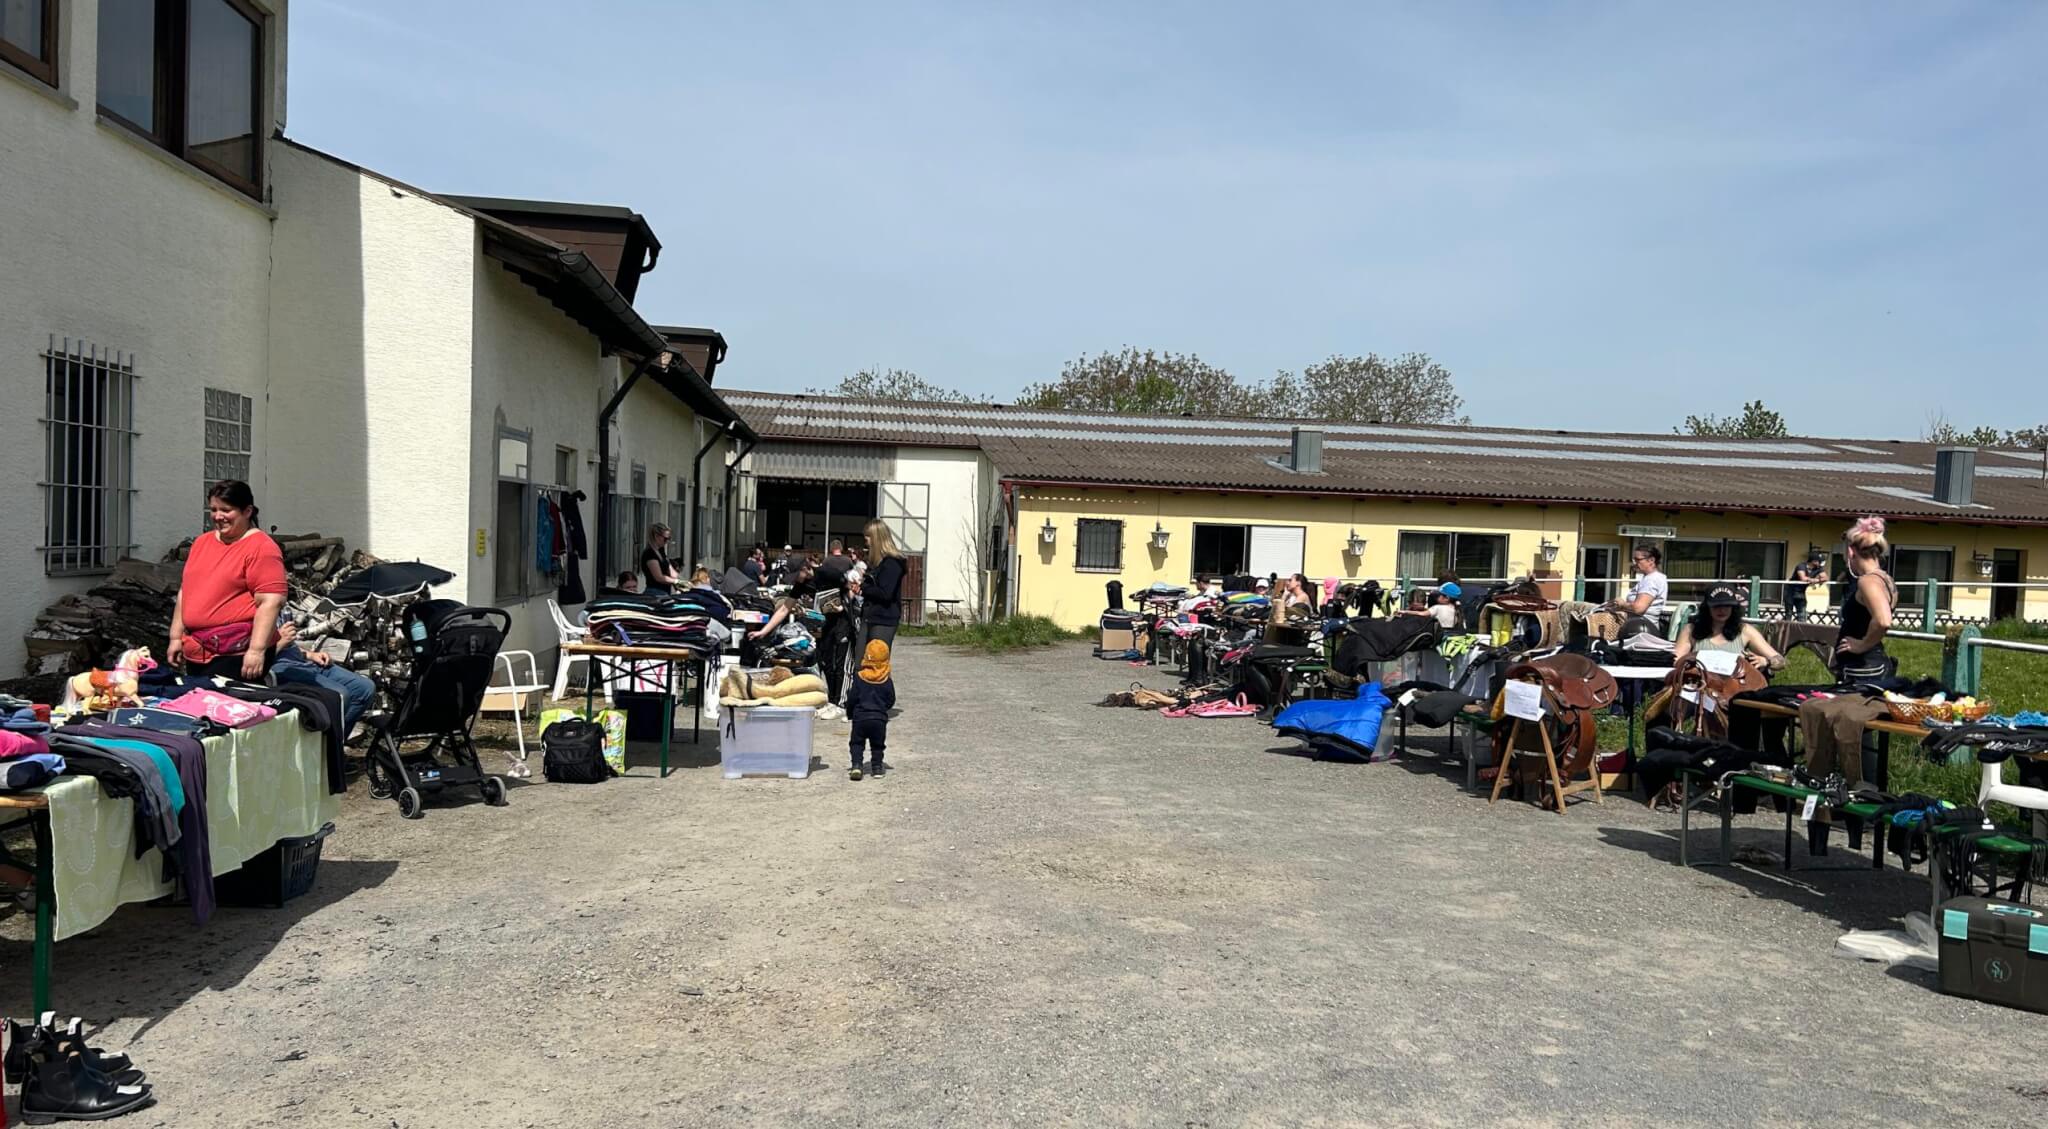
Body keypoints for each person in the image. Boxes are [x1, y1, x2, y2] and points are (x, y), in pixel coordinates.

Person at [169, 480, 287, 679]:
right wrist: (175, 636)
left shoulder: (261, 547)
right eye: (213, 509)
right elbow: (186, 591)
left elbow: (271, 601)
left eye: (226, 510)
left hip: (237, 653)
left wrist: (256, 650)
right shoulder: (201, 543)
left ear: (247, 511)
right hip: (198, 650)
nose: (218, 516)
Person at [271, 620, 376, 732]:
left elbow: (289, 645)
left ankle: (336, 742)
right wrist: (280, 642)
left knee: (364, 688)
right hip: (280, 669)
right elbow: (254, 658)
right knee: (339, 696)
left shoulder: (278, 611)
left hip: (304, 663)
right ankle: (326, 745)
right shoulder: (255, 615)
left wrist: (310, 654)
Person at [1832, 516, 1896, 681]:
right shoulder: (1885, 579)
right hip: (1871, 664)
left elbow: (1883, 621)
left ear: (1851, 552)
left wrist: (1862, 644)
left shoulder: (1867, 581)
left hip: (1863, 668)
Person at [1673, 587, 1785, 673]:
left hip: (1735, 690)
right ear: (1707, 608)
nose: (1722, 610)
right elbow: (1675, 661)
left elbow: (1780, 660)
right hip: (1699, 687)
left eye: (1727, 606)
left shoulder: (1745, 631)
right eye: (1716, 606)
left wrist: (1766, 661)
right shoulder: (1691, 630)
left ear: (1734, 607)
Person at [845, 640, 895, 781]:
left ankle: (856, 765)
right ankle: (877, 768)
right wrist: (883, 709)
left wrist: (850, 713)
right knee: (878, 745)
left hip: (860, 717)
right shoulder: (886, 679)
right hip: (879, 719)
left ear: (866, 656)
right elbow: (891, 699)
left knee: (857, 743)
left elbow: (852, 698)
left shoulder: (860, 677)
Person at [859, 520, 908, 652]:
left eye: (868, 537)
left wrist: (863, 588)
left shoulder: (892, 564)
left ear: (876, 538)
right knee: (861, 662)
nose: (866, 541)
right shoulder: (877, 564)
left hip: (883, 619)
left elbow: (886, 593)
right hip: (870, 615)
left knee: (876, 663)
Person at [1608, 544, 1670, 624]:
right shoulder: (1653, 578)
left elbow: (1638, 608)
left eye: (1637, 559)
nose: (1634, 563)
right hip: (1639, 623)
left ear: (1651, 560)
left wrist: (1622, 604)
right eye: (1634, 559)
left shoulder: (1652, 580)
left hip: (1640, 627)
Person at [1786, 553, 1827, 622]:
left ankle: (1800, 632)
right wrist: (1813, 580)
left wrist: (1816, 580)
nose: (1820, 563)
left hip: (1802, 594)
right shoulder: (1801, 566)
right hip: (1791, 592)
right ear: (1813, 561)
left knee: (1802, 615)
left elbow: (1825, 577)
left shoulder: (1819, 568)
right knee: (1788, 614)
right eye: (1819, 561)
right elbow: (1803, 578)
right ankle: (1786, 631)